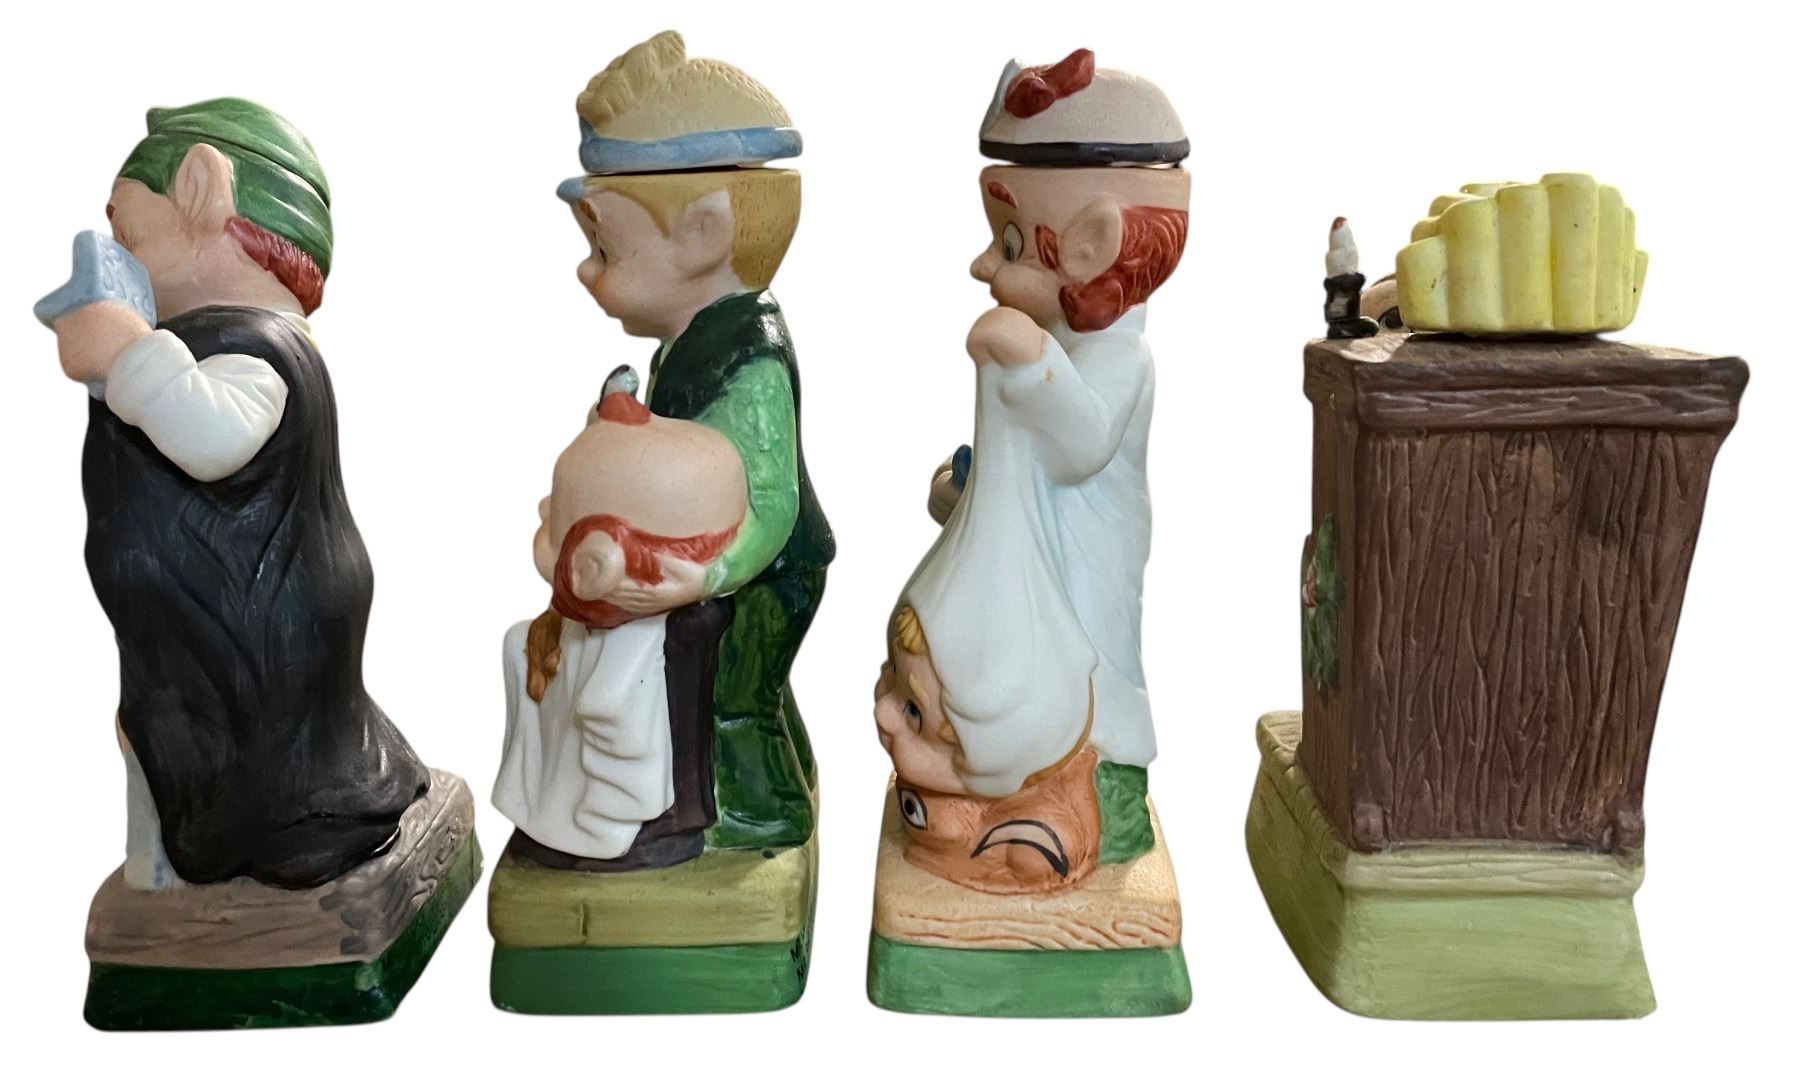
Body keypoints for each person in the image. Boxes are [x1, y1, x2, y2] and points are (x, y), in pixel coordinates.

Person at [46, 99, 427, 890]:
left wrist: (126, 353)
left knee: (271, 783)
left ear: (202, 190)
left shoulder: (260, 349)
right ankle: (166, 861)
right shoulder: (192, 343)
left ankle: (288, 837)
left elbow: (213, 437)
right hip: (190, 639)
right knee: (167, 743)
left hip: (260, 638)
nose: (121, 258)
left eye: (130, 236)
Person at [500, 31, 832, 869]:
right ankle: (768, 776)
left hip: (765, 568)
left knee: (733, 697)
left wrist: (709, 575)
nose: (587, 271)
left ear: (703, 235)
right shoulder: (685, 344)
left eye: (606, 248)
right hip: (710, 554)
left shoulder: (750, 358)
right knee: (740, 687)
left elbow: (771, 499)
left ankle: (759, 811)